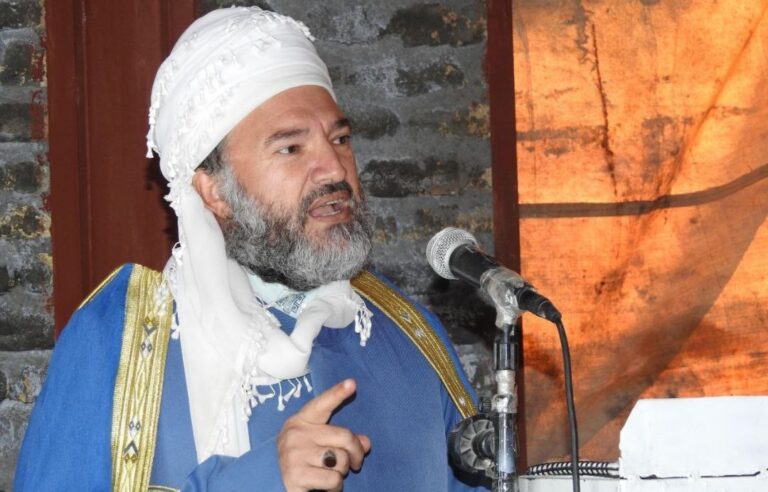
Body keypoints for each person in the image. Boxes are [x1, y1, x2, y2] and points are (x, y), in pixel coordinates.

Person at [15, 7, 487, 491]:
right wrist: (261, 478)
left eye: (340, 138)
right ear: (214, 191)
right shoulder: (120, 338)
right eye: (291, 148)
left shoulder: (406, 333)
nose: (334, 168)